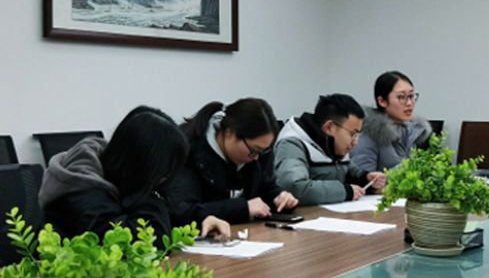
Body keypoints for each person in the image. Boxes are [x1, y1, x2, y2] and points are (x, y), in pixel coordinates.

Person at [39, 106, 230, 243]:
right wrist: (152, 191)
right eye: (164, 173)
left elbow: (170, 206)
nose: (166, 179)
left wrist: (201, 218)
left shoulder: (118, 171)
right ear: (144, 165)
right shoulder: (82, 189)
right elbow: (145, 241)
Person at [170, 97, 298, 226]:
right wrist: (243, 209)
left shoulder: (254, 154)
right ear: (230, 133)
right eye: (254, 150)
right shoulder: (188, 152)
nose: (256, 158)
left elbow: (265, 187)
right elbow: (183, 212)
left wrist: (278, 197)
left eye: (262, 151)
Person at [274, 94, 386, 205]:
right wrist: (345, 191)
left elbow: (349, 173)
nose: (355, 142)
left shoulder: (334, 144)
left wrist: (366, 179)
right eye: (352, 134)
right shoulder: (292, 144)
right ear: (329, 127)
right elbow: (294, 186)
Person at [350, 71, 432, 173]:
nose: (409, 103)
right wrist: (406, 167)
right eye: (401, 97)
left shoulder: (411, 132)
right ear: (382, 101)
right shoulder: (368, 136)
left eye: (411, 96)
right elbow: (362, 180)